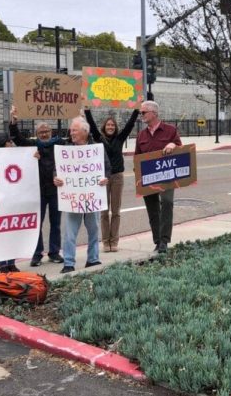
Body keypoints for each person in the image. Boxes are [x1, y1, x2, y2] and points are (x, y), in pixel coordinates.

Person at [9, 107, 64, 266]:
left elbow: (77, 142)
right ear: (37, 134)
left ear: (51, 132)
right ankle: (37, 254)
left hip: (55, 191)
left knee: (56, 224)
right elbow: (17, 139)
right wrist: (14, 121)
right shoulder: (32, 146)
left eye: (46, 131)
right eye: (41, 132)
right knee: (37, 225)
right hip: (38, 192)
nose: (44, 134)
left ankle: (54, 252)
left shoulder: (59, 144)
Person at [53, 117, 110, 274]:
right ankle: (69, 262)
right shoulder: (65, 148)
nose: (71, 133)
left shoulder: (96, 149)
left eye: (74, 130)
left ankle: (92, 259)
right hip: (73, 198)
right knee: (70, 232)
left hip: (91, 197)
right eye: (71, 130)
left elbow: (107, 168)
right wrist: (55, 178)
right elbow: (56, 168)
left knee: (94, 230)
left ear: (85, 132)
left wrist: (106, 178)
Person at [84, 106, 139, 252]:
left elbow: (130, 125)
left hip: (117, 178)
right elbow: (92, 126)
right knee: (104, 212)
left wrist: (137, 110)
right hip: (103, 178)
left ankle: (114, 241)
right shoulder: (99, 138)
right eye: (108, 125)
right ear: (104, 127)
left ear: (115, 128)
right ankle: (105, 242)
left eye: (112, 125)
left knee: (115, 211)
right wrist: (87, 110)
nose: (110, 127)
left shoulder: (120, 138)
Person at [134, 100, 182, 254]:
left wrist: (173, 145)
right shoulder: (141, 135)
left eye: (143, 112)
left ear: (153, 113)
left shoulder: (170, 130)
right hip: (148, 177)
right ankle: (157, 240)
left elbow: (181, 148)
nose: (141, 115)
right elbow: (137, 156)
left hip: (166, 175)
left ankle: (165, 240)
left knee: (167, 203)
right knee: (152, 208)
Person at [0, 132, 20, 274]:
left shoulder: (16, 156)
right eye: (9, 142)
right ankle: (2, 264)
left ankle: (11, 263)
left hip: (12, 199)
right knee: (1, 234)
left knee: (12, 233)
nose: (11, 144)